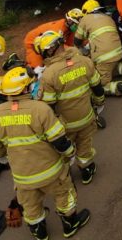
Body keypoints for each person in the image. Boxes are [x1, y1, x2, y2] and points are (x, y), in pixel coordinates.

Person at [0, 67, 90, 240]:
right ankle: (70, 225)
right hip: (51, 171)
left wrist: (2, 157)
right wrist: (70, 153)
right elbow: (59, 141)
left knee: (31, 207)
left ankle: (40, 234)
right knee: (64, 196)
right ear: (26, 88)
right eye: (32, 84)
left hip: (22, 177)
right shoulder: (41, 109)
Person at [35, 31, 104, 185]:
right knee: (85, 146)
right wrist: (100, 104)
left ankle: (66, 175)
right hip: (87, 118)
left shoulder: (49, 75)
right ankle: (86, 170)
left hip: (65, 125)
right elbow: (97, 87)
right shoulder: (84, 61)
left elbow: (48, 107)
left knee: (64, 152)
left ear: (50, 50)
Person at [74, 0, 122, 96]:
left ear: (86, 12)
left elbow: (77, 41)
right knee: (109, 68)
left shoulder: (85, 19)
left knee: (99, 85)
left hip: (103, 57)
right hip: (118, 52)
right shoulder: (108, 17)